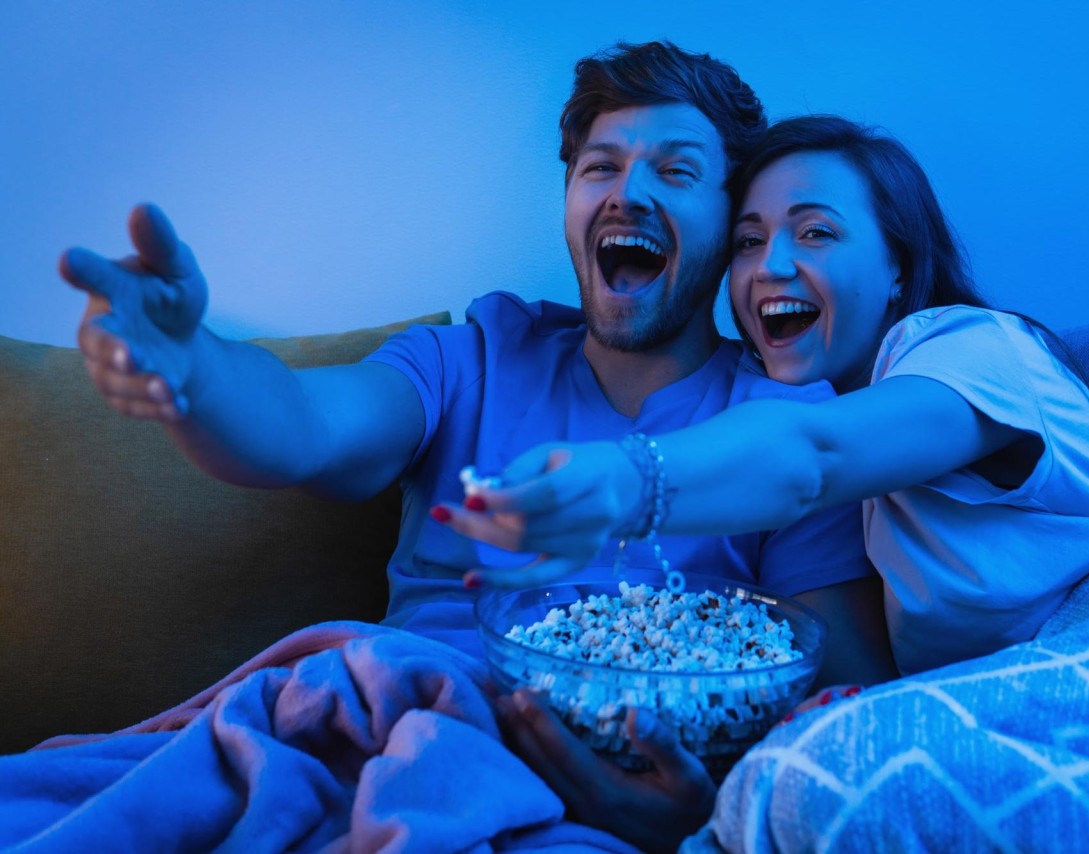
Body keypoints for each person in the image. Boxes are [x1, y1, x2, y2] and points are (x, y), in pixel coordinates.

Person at [49, 46, 897, 851]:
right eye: (600, 168)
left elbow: (848, 713)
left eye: (676, 173)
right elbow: (302, 426)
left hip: (592, 808)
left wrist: (702, 816)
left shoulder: (785, 430)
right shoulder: (471, 359)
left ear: (731, 222)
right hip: (374, 736)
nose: (629, 194)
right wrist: (195, 366)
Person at [440, 117, 1089, 848]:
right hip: (1039, 710)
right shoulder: (861, 484)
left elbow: (814, 457)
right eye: (747, 241)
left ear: (898, 269)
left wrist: (625, 482)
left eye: (815, 233)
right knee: (785, 780)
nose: (770, 265)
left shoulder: (970, 347)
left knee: (809, 777)